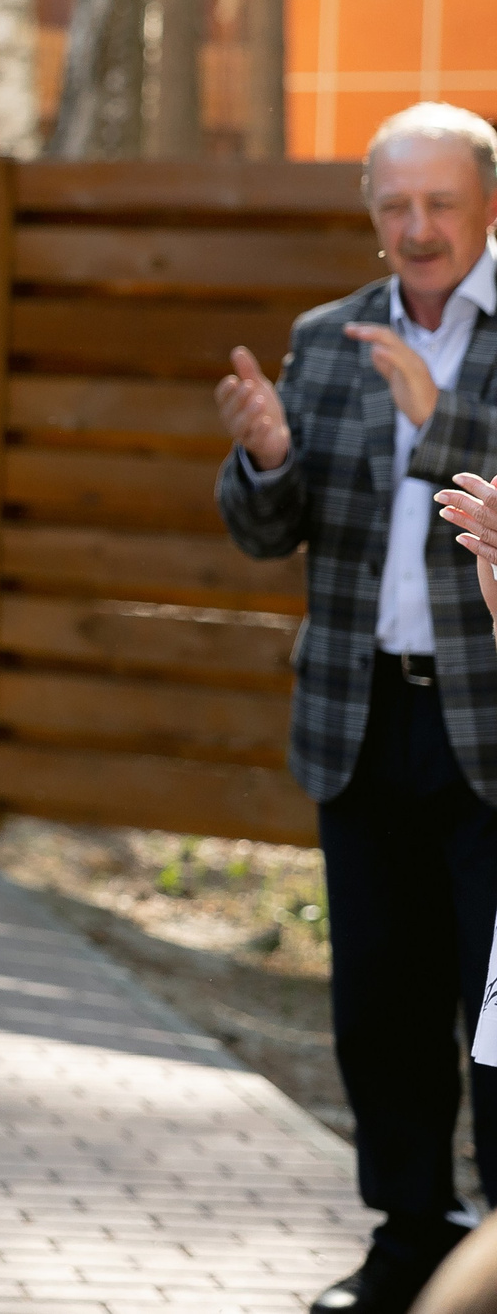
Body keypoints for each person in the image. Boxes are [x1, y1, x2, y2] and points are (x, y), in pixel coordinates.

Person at [220, 102, 497, 1314]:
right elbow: (266, 532)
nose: (416, 228)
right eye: (394, 205)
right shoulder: (327, 336)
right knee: (379, 1002)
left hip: (492, 730)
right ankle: (407, 1237)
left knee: (496, 1016)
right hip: (361, 718)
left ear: (487, 205)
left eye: (438, 202)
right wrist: (269, 457)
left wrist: (441, 431)